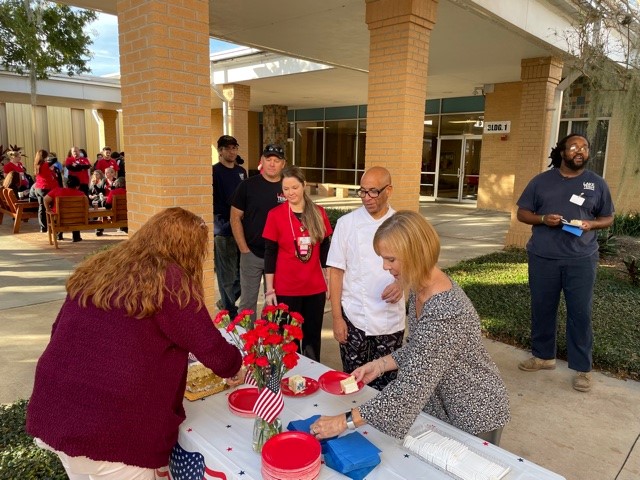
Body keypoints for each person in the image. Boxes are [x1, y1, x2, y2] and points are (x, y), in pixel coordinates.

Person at [26, 207, 244, 480]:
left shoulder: (103, 264)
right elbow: (213, 350)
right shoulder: (171, 279)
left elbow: (59, 330)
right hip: (114, 430)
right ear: (188, 248)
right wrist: (236, 364)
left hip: (56, 410)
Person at [311, 210, 510, 445]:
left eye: (391, 259)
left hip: (474, 411)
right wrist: (380, 364)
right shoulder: (419, 287)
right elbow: (421, 348)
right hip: (444, 407)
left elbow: (411, 389)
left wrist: (344, 421)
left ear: (416, 255)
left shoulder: (446, 309)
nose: (384, 266)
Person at [516, 133, 614, 393]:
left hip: (581, 259)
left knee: (580, 313)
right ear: (562, 152)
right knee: (542, 307)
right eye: (573, 147)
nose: (579, 151)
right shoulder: (541, 181)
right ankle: (543, 356)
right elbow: (522, 213)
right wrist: (542, 218)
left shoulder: (596, 183)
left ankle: (582, 368)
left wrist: (591, 224)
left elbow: (608, 217)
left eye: (584, 147)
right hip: (543, 257)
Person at [327, 166, 404, 390]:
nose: (367, 198)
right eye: (362, 191)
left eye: (373, 192)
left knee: (387, 385)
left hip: (390, 320)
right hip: (354, 317)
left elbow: (416, 266)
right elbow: (336, 272)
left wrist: (401, 283)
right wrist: (337, 318)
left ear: (388, 190)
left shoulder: (401, 223)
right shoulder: (346, 224)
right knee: (352, 382)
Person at [263, 165, 332, 361]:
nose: (290, 193)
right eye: (286, 189)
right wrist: (269, 290)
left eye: (294, 187)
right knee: (289, 341)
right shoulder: (275, 215)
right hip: (286, 289)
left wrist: (329, 281)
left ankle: (311, 379)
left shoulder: (318, 213)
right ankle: (292, 382)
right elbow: (270, 254)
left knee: (311, 340)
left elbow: (325, 250)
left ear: (303, 185)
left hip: (314, 288)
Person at [230, 144, 286, 319]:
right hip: (252, 254)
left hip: (279, 256)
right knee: (247, 304)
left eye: (276, 160)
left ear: (283, 164)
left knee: (273, 303)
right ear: (261, 161)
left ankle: (269, 344)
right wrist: (244, 249)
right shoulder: (247, 185)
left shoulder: (289, 187)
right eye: (268, 159)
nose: (272, 164)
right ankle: (245, 344)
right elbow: (235, 217)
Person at [213, 135, 246, 316]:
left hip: (241, 229)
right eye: (228, 148)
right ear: (220, 151)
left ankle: (226, 301)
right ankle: (229, 310)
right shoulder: (214, 172)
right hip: (223, 230)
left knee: (243, 274)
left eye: (235, 148)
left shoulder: (241, 172)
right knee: (226, 276)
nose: (232, 151)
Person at [44, 175, 86, 242]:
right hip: (77, 219)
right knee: (74, 213)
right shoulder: (82, 194)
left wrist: (48, 209)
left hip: (59, 218)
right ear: (77, 186)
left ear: (66, 184)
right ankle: (76, 236)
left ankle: (59, 235)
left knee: (59, 215)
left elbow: (45, 199)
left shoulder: (57, 191)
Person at [33, 149, 58, 233]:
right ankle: (52, 226)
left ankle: (43, 227)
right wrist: (48, 158)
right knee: (50, 206)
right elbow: (55, 159)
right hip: (45, 187)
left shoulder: (37, 165)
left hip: (38, 188)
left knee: (41, 207)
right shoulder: (45, 164)